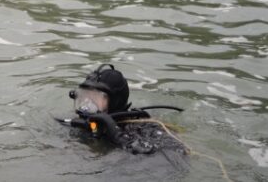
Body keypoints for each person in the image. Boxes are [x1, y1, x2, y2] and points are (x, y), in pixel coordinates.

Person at [57, 64, 186, 155]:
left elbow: (178, 151)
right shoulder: (78, 123)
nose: (87, 103)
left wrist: (119, 137)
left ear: (115, 101)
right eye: (84, 96)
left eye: (95, 98)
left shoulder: (140, 128)